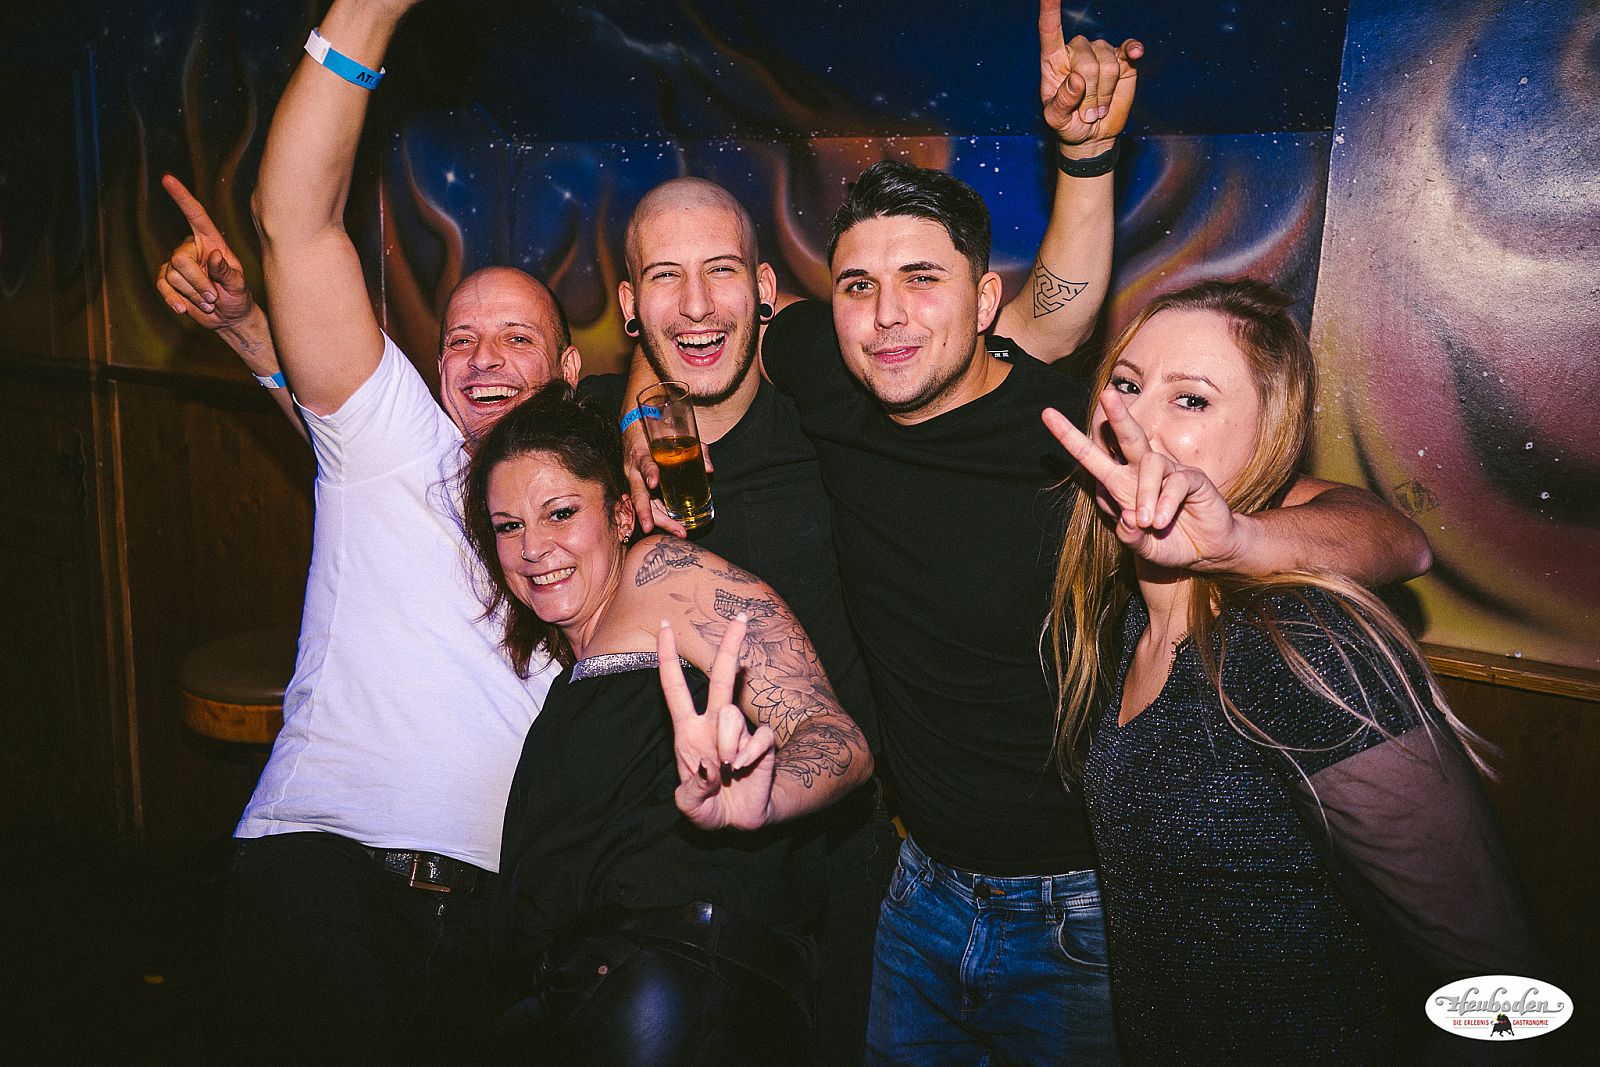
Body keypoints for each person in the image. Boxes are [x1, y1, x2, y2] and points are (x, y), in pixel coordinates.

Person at [759, 159, 1433, 1061]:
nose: (886, 314)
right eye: (857, 285)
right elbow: (710, 338)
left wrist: (1239, 539)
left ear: (986, 300)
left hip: (1076, 916)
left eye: (921, 279)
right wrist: (642, 419)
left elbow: (1393, 538)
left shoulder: (1082, 431)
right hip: (915, 891)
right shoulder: (820, 367)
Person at [1042, 278, 1549, 1063]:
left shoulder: (1301, 644)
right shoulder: (1129, 619)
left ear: (1270, 442)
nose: (1134, 421)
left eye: (1191, 399)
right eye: (1127, 385)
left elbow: (1502, 983)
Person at [214, 0, 581, 1055]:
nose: (483, 357)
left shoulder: (609, 518)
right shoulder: (396, 442)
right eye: (460, 337)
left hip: (499, 926)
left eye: (517, 337)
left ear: (568, 371)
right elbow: (295, 218)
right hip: (326, 875)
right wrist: (369, 14)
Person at [456, 381, 872, 1062]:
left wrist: (767, 795)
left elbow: (839, 740)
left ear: (623, 514)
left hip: (668, 977)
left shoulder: (659, 574)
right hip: (578, 995)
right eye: (508, 526)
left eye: (560, 513)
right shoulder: (567, 679)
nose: (533, 547)